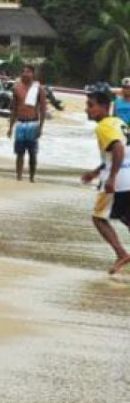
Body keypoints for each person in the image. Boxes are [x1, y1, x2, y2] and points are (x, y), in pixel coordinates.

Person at [80, 89, 130, 275]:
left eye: (91, 105)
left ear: (104, 107)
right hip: (129, 176)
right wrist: (94, 172)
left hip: (119, 180)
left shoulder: (103, 127)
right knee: (127, 217)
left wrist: (111, 177)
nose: (87, 109)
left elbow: (118, 149)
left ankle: (121, 253)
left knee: (99, 218)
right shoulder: (119, 122)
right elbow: (116, 153)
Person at [7, 64, 47, 182]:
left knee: (32, 153)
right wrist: (10, 127)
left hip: (33, 124)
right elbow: (14, 109)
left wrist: (40, 127)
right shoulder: (17, 88)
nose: (25, 74)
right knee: (19, 153)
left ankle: (31, 177)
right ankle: (19, 176)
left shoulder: (39, 89)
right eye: (23, 72)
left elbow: (43, 109)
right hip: (20, 123)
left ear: (33, 74)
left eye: (28, 72)